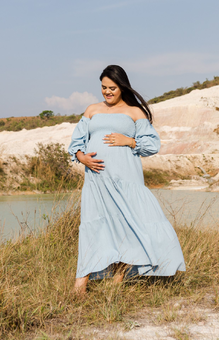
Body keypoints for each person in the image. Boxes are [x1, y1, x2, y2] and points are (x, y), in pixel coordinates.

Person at [68, 65, 185, 294]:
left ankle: (118, 278)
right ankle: (80, 283)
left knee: (126, 226)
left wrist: (128, 141)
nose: (107, 92)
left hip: (125, 179)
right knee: (93, 226)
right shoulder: (91, 110)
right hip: (97, 181)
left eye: (112, 88)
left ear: (122, 87)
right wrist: (83, 158)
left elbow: (152, 145)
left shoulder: (135, 112)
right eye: (104, 87)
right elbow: (76, 144)